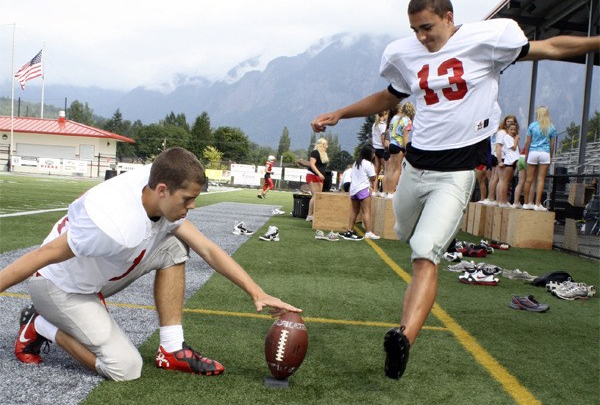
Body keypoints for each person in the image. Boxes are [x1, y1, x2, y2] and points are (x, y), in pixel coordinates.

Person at [311, 0, 599, 380]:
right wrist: (339, 113)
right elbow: (387, 95)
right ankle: (403, 334)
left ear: (448, 16)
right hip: (416, 167)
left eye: (427, 27)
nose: (421, 37)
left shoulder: (487, 40)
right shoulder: (405, 54)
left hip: (458, 171)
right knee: (408, 237)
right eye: (414, 30)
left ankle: (403, 339)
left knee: (425, 254)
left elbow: (549, 46)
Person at [0, 147, 300, 381]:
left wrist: (256, 292)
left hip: (96, 276)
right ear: (162, 190)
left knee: (174, 245)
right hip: (56, 287)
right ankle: (40, 324)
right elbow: (39, 258)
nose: (191, 206)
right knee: (125, 368)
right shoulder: (113, 224)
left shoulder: (158, 182)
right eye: (187, 199)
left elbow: (207, 248)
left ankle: (172, 347)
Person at [341, 144, 380, 241]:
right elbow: (374, 178)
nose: (374, 155)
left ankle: (349, 229)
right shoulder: (369, 164)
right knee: (366, 211)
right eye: (373, 153)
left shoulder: (355, 163)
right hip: (363, 189)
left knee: (354, 211)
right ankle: (368, 232)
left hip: (353, 190)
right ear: (369, 154)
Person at [522, 106, 558, 211]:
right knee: (541, 179)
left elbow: (527, 142)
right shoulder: (551, 127)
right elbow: (552, 144)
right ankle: (538, 204)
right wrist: (551, 156)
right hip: (544, 153)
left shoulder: (532, 125)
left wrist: (526, 154)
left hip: (533, 152)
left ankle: (526, 203)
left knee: (529, 179)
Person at [478, 115, 517, 205]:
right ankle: (495, 199)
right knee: (499, 179)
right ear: (504, 122)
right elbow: (499, 146)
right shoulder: (503, 132)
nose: (510, 123)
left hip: (495, 155)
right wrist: (500, 160)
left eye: (512, 121)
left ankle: (493, 198)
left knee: (495, 178)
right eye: (508, 121)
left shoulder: (497, 132)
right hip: (499, 156)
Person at [382, 101, 415, 198]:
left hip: (391, 145)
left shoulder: (394, 118)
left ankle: (386, 192)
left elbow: (390, 131)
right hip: (399, 146)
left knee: (388, 170)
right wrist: (407, 149)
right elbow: (405, 137)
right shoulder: (408, 121)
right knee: (397, 169)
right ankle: (392, 192)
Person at [305, 137, 329, 222]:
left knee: (318, 196)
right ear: (321, 145)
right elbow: (312, 164)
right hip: (313, 175)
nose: (327, 146)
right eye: (326, 144)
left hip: (320, 176)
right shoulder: (315, 152)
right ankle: (309, 215)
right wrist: (319, 174)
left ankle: (315, 214)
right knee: (315, 195)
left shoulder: (324, 154)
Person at [497, 122, 520, 207]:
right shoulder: (507, 137)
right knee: (505, 181)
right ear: (507, 130)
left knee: (508, 181)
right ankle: (503, 201)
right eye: (511, 129)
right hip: (509, 161)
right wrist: (516, 139)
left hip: (513, 161)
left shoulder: (511, 137)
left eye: (515, 130)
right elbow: (513, 148)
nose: (513, 131)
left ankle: (504, 200)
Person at [371, 111, 388, 197]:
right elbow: (382, 138)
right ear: (384, 114)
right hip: (381, 149)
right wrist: (386, 146)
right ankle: (384, 191)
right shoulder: (383, 125)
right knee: (386, 170)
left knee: (376, 171)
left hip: (375, 148)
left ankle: (375, 190)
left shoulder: (375, 125)